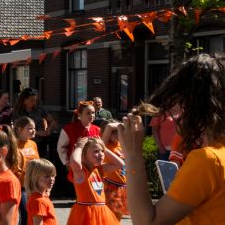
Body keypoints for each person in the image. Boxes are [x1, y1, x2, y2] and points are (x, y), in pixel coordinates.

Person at [118, 53, 225, 225]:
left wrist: (133, 155)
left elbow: (147, 222)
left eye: (179, 102)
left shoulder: (208, 160)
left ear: (193, 104)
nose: (176, 114)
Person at [65, 137, 121, 225]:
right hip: (86, 213)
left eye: (102, 151)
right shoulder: (81, 172)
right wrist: (79, 147)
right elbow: (75, 162)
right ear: (84, 154)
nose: (101, 154)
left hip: (102, 212)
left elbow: (120, 164)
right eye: (95, 151)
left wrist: (104, 148)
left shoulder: (99, 169)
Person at [56, 101, 100, 181]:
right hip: (76, 167)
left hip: (92, 166)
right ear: (79, 115)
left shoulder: (97, 129)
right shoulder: (69, 129)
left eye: (93, 113)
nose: (92, 115)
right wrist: (66, 162)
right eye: (88, 113)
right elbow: (61, 148)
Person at [12, 89, 55, 159]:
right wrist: (37, 132)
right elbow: (17, 129)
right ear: (24, 100)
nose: (34, 102)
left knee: (40, 162)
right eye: (31, 100)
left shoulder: (39, 109)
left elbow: (52, 121)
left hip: (40, 142)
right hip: (23, 142)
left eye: (35, 100)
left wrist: (48, 130)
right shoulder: (17, 112)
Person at [100, 122, 128, 220]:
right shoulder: (105, 145)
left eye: (119, 132)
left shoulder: (121, 145)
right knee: (110, 217)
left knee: (117, 217)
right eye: (114, 132)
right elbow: (109, 126)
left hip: (122, 186)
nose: (117, 134)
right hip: (111, 186)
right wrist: (125, 123)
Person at [14, 117, 39, 225]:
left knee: (33, 213)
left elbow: (37, 162)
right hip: (20, 185)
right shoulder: (13, 144)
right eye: (30, 128)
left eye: (34, 128)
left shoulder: (33, 144)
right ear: (20, 130)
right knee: (25, 213)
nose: (33, 130)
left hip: (33, 184)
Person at [23, 159, 57, 225]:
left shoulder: (42, 196)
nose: (52, 179)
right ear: (35, 178)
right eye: (47, 176)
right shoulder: (39, 201)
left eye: (53, 175)